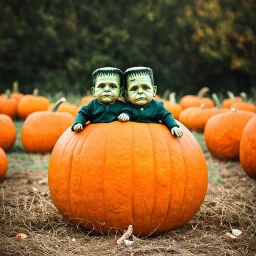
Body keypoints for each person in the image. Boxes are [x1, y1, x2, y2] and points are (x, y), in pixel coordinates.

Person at [118, 66, 183, 137]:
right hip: (133, 137)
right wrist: (124, 115)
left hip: (153, 137)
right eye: (134, 89)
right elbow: (126, 111)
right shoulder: (128, 107)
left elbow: (166, 116)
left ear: (154, 91)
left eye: (145, 88)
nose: (140, 92)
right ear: (127, 95)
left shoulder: (157, 107)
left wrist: (173, 126)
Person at [71, 67, 125, 132]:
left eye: (113, 86)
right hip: (95, 136)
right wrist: (78, 122)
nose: (107, 90)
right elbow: (82, 114)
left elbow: (132, 112)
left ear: (120, 92)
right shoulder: (92, 106)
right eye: (101, 86)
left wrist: (126, 115)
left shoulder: (123, 107)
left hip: (117, 136)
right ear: (94, 92)